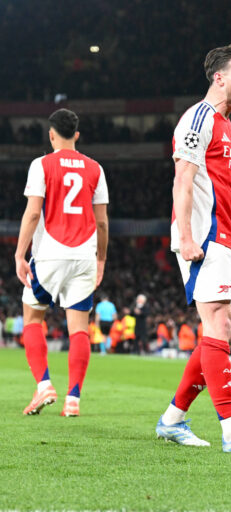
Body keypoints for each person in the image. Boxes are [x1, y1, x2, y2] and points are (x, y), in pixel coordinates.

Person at [154, 43, 231, 454]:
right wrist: (187, 238)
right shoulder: (198, 118)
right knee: (218, 327)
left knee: (222, 333)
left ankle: (173, 420)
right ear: (219, 78)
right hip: (203, 238)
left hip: (225, 240)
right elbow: (183, 179)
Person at [14, 108, 109, 417]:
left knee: (32, 318)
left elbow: (32, 213)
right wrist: (101, 259)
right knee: (79, 328)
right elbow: (102, 222)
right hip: (84, 256)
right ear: (76, 135)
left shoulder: (41, 164)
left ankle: (44, 385)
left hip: (49, 254)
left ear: (51, 134)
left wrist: (19, 253)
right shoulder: (95, 168)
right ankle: (73, 399)